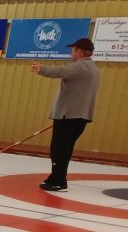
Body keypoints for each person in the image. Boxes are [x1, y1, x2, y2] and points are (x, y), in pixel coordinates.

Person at [31, 38, 101, 193]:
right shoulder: (94, 69)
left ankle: (58, 181)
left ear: (79, 51)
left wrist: (41, 69)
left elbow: (61, 71)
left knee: (58, 149)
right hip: (80, 116)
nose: (71, 54)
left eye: (73, 50)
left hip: (68, 115)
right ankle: (56, 178)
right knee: (65, 149)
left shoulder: (79, 67)